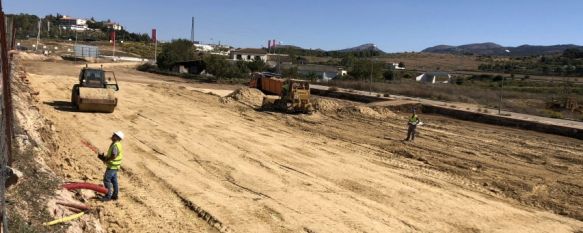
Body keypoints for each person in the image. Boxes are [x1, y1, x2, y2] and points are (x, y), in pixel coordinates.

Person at [98, 131, 124, 201]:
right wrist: (105, 157)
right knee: (114, 181)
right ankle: (115, 195)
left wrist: (106, 160)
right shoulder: (117, 144)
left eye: (114, 135)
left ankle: (108, 196)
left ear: (117, 137)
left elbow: (113, 156)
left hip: (112, 166)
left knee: (106, 180)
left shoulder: (115, 145)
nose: (112, 136)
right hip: (115, 166)